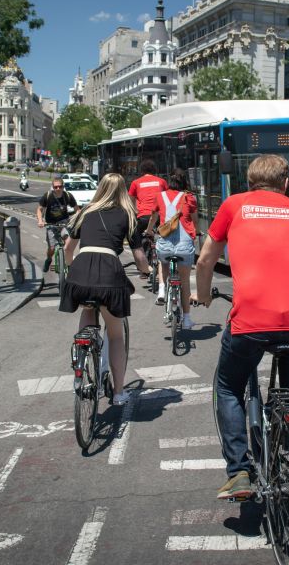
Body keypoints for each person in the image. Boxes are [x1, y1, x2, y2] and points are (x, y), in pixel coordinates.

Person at [192, 154, 289, 500]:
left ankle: (239, 473)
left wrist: (202, 295)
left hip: (251, 321)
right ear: (286, 184)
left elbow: (205, 259)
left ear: (248, 183)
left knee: (228, 387)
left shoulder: (234, 205)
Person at [60, 173, 152, 406]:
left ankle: (81, 357)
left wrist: (73, 268)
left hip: (81, 272)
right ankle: (119, 392)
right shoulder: (128, 215)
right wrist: (147, 270)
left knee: (88, 309)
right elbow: (139, 255)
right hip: (109, 273)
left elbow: (68, 247)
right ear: (123, 191)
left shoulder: (85, 212)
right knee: (115, 335)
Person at [149, 168, 198, 327]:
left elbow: (153, 217)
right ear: (185, 182)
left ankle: (162, 289)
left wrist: (149, 230)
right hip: (184, 247)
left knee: (162, 262)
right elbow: (194, 219)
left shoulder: (160, 196)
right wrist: (196, 232)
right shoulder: (189, 197)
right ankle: (187, 319)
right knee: (184, 283)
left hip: (165, 245)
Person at [128, 159, 168, 285]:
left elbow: (130, 201)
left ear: (142, 171)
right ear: (154, 170)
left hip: (143, 216)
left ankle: (144, 269)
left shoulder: (136, 183)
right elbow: (167, 196)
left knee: (136, 238)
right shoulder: (162, 181)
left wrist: (134, 213)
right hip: (161, 216)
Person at [36, 175, 78, 273]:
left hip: (64, 223)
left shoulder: (68, 196)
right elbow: (39, 209)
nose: (58, 189)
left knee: (68, 243)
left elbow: (77, 210)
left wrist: (78, 219)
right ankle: (49, 259)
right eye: (55, 187)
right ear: (52, 187)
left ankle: (69, 264)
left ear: (63, 186)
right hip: (50, 224)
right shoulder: (48, 196)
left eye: (60, 186)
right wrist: (40, 220)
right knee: (51, 248)